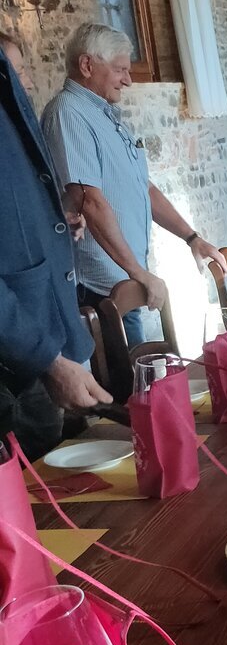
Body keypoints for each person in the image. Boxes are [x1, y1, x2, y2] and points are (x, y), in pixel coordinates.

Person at [41, 22, 227, 344]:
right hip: (101, 287)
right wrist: (139, 273)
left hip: (123, 276)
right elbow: (90, 202)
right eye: (120, 70)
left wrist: (192, 237)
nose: (128, 80)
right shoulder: (68, 113)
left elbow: (145, 188)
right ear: (87, 65)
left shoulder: (104, 114)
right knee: (129, 374)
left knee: (142, 371)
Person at [0, 43, 111, 459]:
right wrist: (46, 358)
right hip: (18, 354)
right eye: (18, 71)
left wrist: (53, 227)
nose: (27, 82)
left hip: (44, 335)